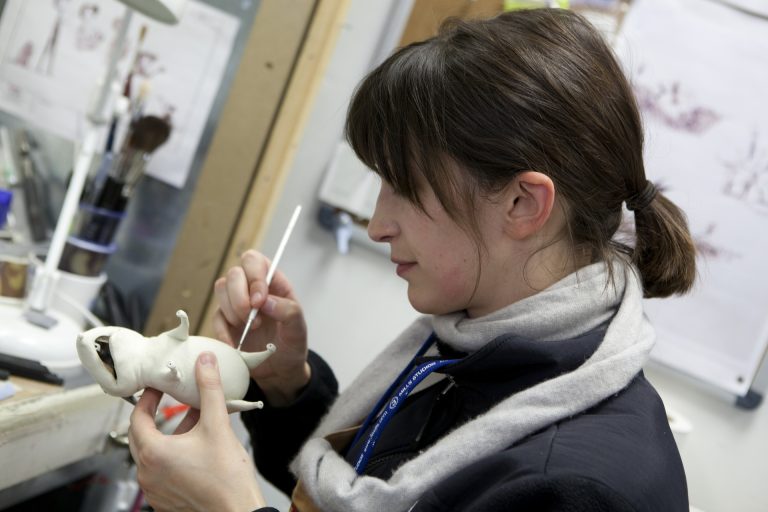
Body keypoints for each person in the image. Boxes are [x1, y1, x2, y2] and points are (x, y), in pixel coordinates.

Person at [128, 7, 696, 511]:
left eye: (403, 186)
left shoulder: (581, 488)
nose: (377, 225)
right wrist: (287, 385)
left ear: (523, 203)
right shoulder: (475, 351)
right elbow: (372, 488)